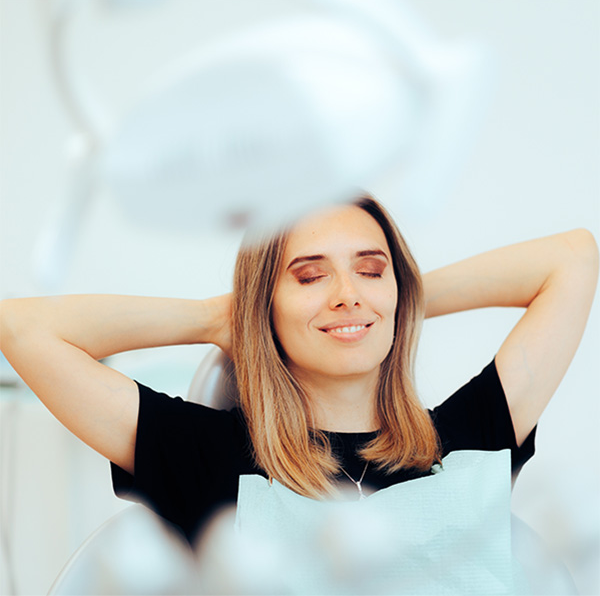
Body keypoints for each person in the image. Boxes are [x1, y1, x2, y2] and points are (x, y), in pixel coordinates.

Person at [1, 194, 597, 592]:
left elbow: (572, 258)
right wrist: (218, 318)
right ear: (266, 305)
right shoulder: (205, 455)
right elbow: (23, 328)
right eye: (310, 276)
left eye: (371, 268)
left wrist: (399, 301)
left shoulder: (474, 436)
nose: (345, 293)